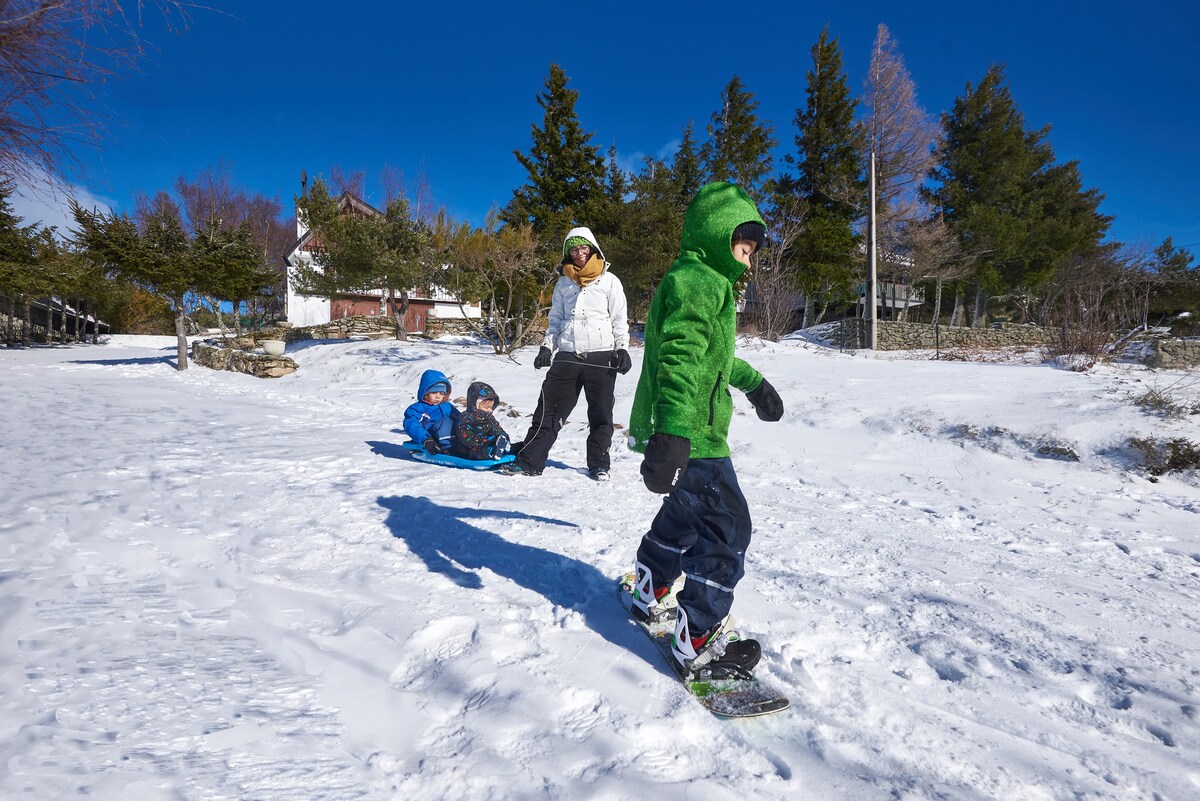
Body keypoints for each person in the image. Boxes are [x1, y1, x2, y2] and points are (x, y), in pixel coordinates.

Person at [626, 182, 785, 682]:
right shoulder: (700, 281)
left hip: (692, 430)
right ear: (719, 235)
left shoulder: (701, 278)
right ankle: (697, 637)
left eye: (754, 250)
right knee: (727, 527)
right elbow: (679, 359)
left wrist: (755, 385)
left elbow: (714, 359)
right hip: (694, 432)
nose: (750, 258)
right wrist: (673, 431)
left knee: (687, 514)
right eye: (744, 245)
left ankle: (650, 582)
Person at [501, 226, 631, 481]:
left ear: (592, 249)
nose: (579, 253)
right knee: (549, 409)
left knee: (601, 412)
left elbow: (619, 318)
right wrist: (546, 346)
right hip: (568, 353)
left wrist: (622, 348)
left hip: (600, 355)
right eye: (573, 249)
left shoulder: (609, 280)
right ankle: (530, 460)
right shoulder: (563, 282)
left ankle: (598, 464)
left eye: (583, 248)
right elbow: (556, 319)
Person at [403, 369, 460, 454]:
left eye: (441, 393)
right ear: (425, 393)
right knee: (446, 421)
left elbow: (460, 418)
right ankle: (448, 448)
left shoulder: (447, 406)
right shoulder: (418, 408)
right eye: (434, 393)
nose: (438, 396)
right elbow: (411, 423)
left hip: (452, 439)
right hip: (430, 438)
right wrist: (425, 439)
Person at [451, 381, 511, 461]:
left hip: (488, 443)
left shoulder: (490, 418)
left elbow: (497, 429)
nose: (489, 410)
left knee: (498, 442)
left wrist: (502, 436)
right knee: (482, 450)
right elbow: (466, 437)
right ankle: (493, 452)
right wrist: (484, 441)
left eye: (491, 407)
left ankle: (505, 448)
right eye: (486, 407)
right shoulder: (465, 418)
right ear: (475, 404)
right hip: (469, 449)